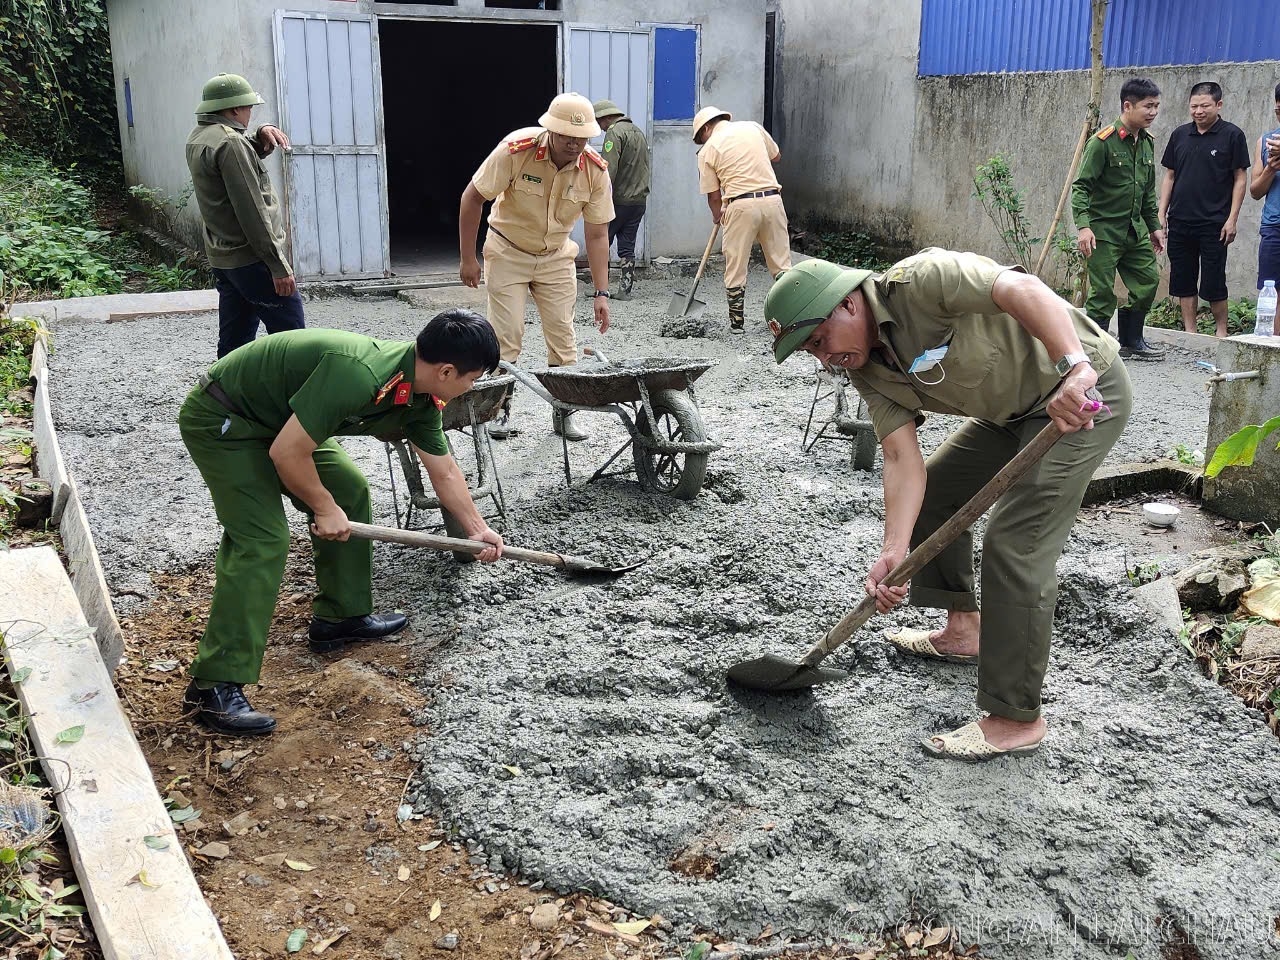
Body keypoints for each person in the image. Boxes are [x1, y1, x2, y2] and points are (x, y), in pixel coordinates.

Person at [764, 250, 1131, 761]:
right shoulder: (867, 370)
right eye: (812, 353)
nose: (824, 359)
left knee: (1014, 541)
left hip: (1084, 396)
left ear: (847, 305)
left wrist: (1076, 366)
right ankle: (964, 630)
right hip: (1008, 415)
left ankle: (1014, 718)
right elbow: (899, 457)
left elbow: (1020, 290)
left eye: (820, 342)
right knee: (936, 492)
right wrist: (894, 551)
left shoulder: (921, 282)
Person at [178, 311, 506, 736]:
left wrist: (476, 529)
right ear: (446, 371)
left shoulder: (420, 398)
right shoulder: (359, 374)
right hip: (227, 418)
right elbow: (286, 455)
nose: (472, 387)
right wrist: (321, 506)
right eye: (472, 378)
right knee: (262, 540)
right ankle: (213, 683)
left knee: (349, 491)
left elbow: (443, 471)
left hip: (283, 422)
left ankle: (340, 617)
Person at [458, 93, 614, 441]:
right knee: (506, 335)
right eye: (567, 136)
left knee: (563, 337)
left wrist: (602, 292)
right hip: (508, 251)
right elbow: (473, 197)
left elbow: (598, 232)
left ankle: (565, 413)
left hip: (556, 256)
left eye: (582, 137)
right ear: (551, 131)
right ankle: (497, 412)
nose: (575, 144)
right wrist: (469, 257)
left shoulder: (594, 170)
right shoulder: (517, 150)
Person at [186, 73, 305, 358]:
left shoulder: (200, 136)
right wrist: (278, 266)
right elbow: (252, 210)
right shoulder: (230, 144)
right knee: (294, 340)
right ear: (234, 109)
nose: (251, 112)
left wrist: (262, 131)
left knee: (234, 341)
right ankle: (294, 397)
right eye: (249, 107)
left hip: (226, 259)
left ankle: (224, 398)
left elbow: (239, 157)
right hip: (253, 260)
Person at [1071, 77, 1167, 360]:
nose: (1153, 112)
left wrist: (1155, 228)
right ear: (1128, 105)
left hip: (1134, 231)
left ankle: (1131, 340)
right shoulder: (1102, 143)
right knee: (1101, 293)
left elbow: (1148, 191)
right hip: (1103, 231)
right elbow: (1081, 187)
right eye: (1148, 106)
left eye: (1156, 107)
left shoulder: (1147, 143)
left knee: (1148, 280)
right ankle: (1097, 347)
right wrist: (1084, 227)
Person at [1158, 82, 1251, 338]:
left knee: (1213, 282)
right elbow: (1170, 176)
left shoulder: (1232, 135)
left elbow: (1240, 178)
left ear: (1218, 105)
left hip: (1214, 223)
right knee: (1183, 280)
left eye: (1205, 106)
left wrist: (1232, 219)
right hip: (1180, 221)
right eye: (1194, 106)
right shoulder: (1179, 135)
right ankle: (1190, 332)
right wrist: (1161, 215)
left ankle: (1221, 332)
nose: (1198, 111)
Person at [693, 106, 792, 334]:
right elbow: (776, 156)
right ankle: (791, 316)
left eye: (701, 137)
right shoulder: (753, 128)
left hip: (740, 205)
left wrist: (719, 216)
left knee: (736, 266)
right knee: (781, 264)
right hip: (772, 200)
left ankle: (737, 324)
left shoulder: (709, 150)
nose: (702, 141)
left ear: (706, 128)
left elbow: (713, 196)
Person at [593, 99, 651, 301]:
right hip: (638, 201)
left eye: (600, 122)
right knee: (627, 245)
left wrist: (599, 194)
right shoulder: (638, 132)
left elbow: (609, 169)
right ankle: (625, 290)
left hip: (618, 200)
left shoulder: (614, 133)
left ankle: (602, 289)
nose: (600, 128)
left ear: (607, 118)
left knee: (601, 242)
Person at [1248, 83, 1280, 291]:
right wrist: (1271, 168)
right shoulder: (1267, 140)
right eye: (1279, 111)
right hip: (1274, 227)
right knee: (1272, 293)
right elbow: (1255, 191)